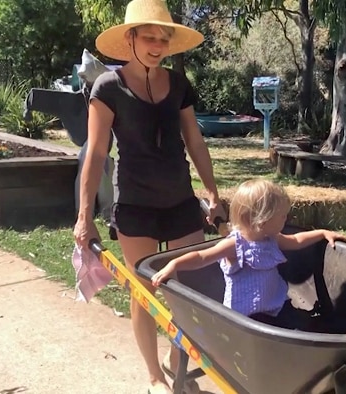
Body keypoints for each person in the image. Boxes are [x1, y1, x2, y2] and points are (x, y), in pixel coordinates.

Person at [72, 1, 227, 393]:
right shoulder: (108, 87)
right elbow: (96, 152)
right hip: (136, 207)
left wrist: (211, 192)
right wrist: (84, 214)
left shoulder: (178, 85)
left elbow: (194, 139)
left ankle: (179, 373)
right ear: (131, 39)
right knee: (145, 292)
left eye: (163, 38)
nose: (157, 45)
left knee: (187, 292)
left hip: (180, 202)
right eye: (149, 37)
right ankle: (155, 377)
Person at [151, 178, 346, 331]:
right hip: (246, 318)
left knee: (305, 330)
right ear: (262, 221)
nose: (286, 219)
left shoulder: (272, 238)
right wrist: (174, 264)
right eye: (282, 216)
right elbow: (203, 257)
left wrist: (322, 233)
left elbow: (296, 241)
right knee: (275, 338)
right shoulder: (234, 245)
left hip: (276, 306)